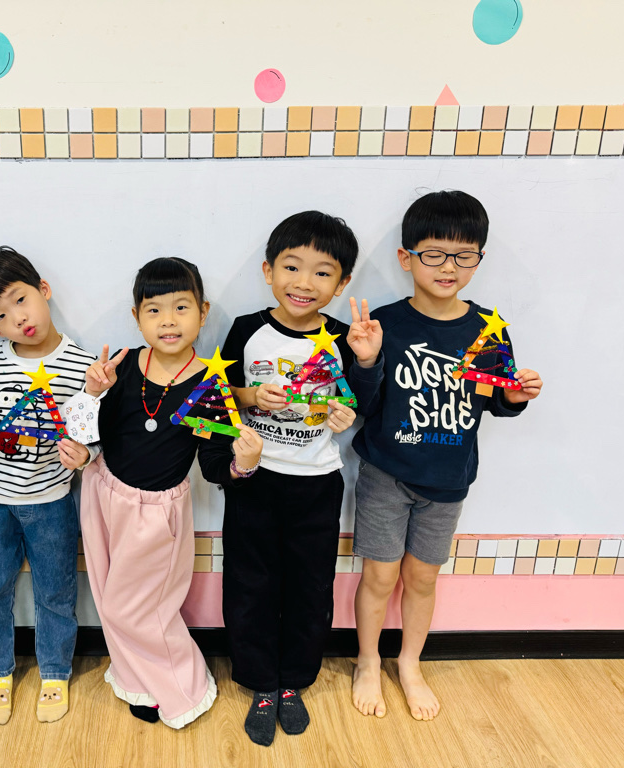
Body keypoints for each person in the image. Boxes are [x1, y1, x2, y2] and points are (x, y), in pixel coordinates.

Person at [347, 190, 543, 721]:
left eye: (463, 255)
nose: (448, 267)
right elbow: (360, 405)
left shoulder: (488, 329)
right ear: (406, 257)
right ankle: (368, 661)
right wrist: (365, 362)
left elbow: (497, 401)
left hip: (450, 478)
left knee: (423, 578)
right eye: (433, 253)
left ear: (479, 259)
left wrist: (516, 396)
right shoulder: (384, 325)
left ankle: (410, 663)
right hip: (386, 474)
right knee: (380, 577)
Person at [79, 257, 264, 729]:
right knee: (108, 598)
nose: (167, 320)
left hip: (157, 511)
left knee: (136, 607)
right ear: (136, 316)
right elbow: (89, 435)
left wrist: (242, 464)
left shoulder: (209, 384)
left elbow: (213, 462)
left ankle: (185, 688)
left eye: (181, 307)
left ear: (203, 313)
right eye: (154, 309)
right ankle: (137, 681)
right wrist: (91, 394)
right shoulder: (121, 366)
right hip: (102, 491)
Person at [220, 210, 359, 746]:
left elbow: (355, 401)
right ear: (268, 271)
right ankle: (260, 682)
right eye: (292, 267)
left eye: (322, 272)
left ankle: (293, 681)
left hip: (317, 482)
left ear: (342, 283)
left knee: (310, 586)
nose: (304, 282)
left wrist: (346, 412)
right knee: (250, 585)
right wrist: (252, 395)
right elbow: (220, 397)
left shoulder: (343, 338)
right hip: (255, 478)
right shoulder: (246, 330)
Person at [0, 246, 98, 725]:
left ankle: (54, 671)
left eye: (20, 299)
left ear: (43, 290)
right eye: (0, 315)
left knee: (55, 591)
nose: (18, 318)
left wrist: (86, 455)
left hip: (52, 500)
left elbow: (92, 432)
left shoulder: (83, 366)